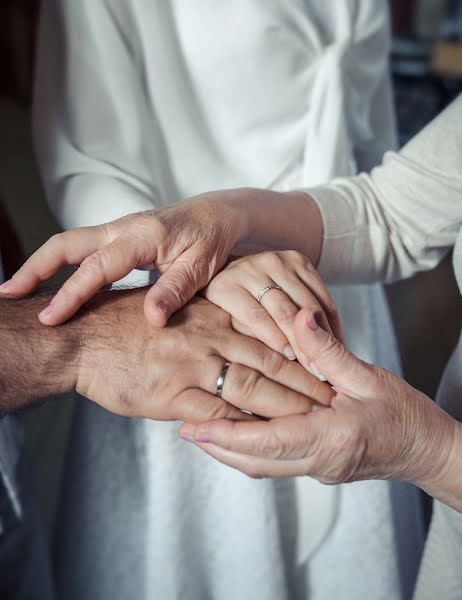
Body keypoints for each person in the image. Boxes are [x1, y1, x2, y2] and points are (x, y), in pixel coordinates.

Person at [27, 1, 420, 597]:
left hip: (339, 302)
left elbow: (383, 188)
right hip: (188, 320)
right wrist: (200, 267)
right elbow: (86, 164)